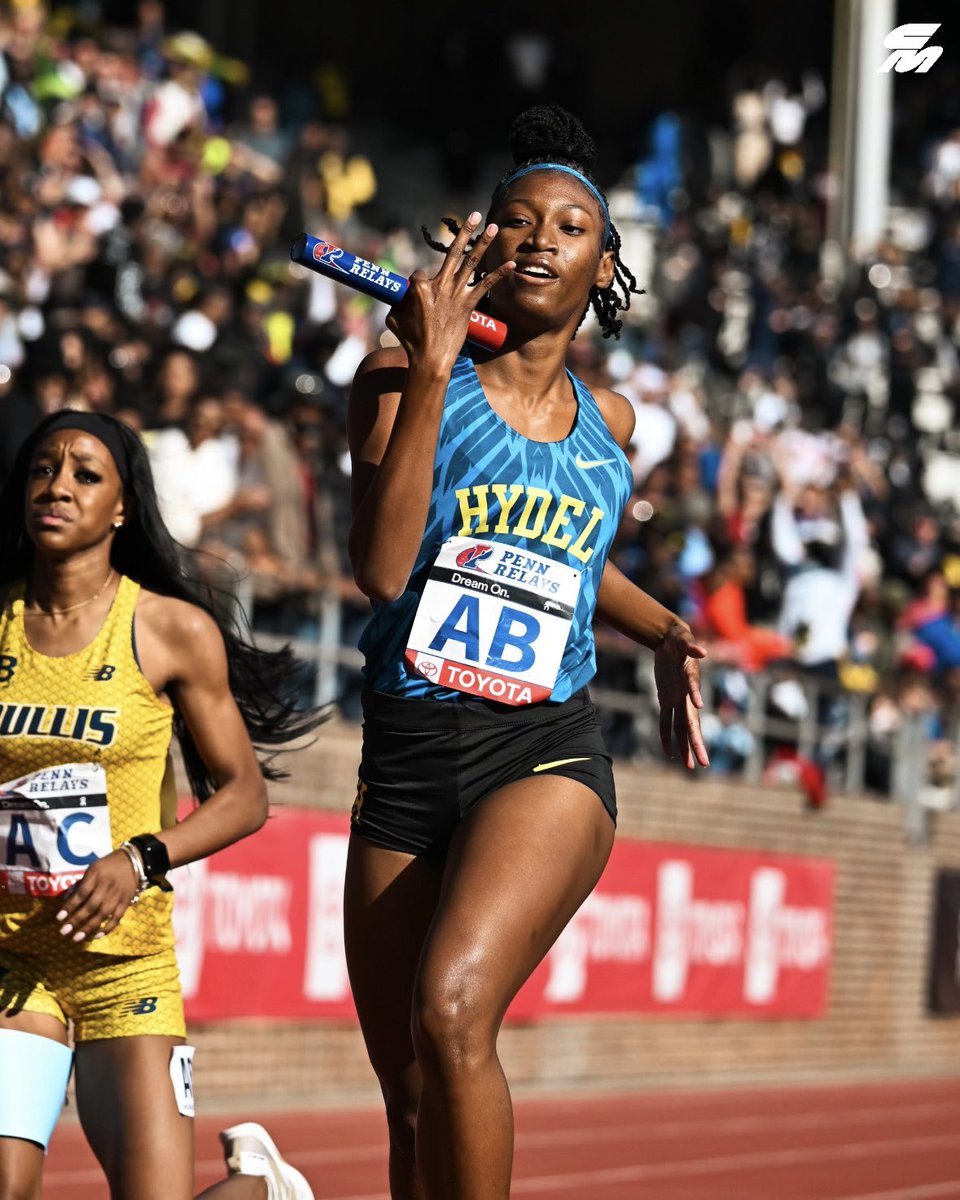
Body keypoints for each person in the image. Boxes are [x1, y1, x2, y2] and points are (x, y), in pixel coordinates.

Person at [342, 106, 710, 1200]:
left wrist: (668, 629)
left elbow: (571, 561)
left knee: (453, 1006)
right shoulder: (400, 375)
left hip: (541, 753)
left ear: (606, 268)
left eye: (571, 226)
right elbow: (385, 563)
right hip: (407, 754)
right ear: (484, 245)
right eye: (520, 220)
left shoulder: (615, 427)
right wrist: (435, 357)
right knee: (410, 1094)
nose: (543, 238)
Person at [0, 410, 320, 1200]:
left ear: (122, 508)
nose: (58, 487)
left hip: (125, 966)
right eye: (44, 468)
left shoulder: (170, 630)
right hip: (12, 958)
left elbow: (243, 795)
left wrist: (139, 858)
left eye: (85, 474)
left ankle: (263, 1188)